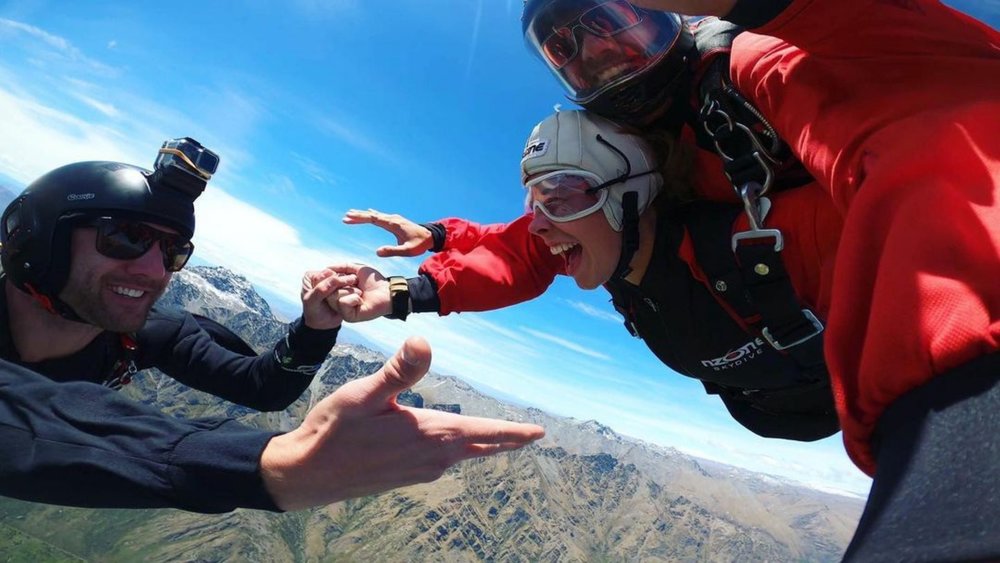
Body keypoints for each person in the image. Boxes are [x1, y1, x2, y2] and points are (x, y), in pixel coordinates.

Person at [338, 0, 1000, 559]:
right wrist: (420, 278)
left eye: (611, 21)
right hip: (777, 386)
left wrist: (959, 429)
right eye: (565, 47)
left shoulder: (754, 73)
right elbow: (538, 237)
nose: (596, 54)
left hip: (884, 380)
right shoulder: (620, 197)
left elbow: (922, 139)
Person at [0, 140, 545, 512]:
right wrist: (270, 466)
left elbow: (260, 387)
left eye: (173, 250)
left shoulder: (143, 333)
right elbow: (32, 418)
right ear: (35, 237)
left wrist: (315, 326)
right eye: (123, 238)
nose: (152, 270)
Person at [343, 109, 843, 443]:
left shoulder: (769, 242)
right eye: (534, 200)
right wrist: (408, 281)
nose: (538, 220)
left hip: (850, 405)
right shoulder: (606, 248)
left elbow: (907, 231)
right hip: (774, 405)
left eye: (559, 197)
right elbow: (515, 253)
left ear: (633, 193)